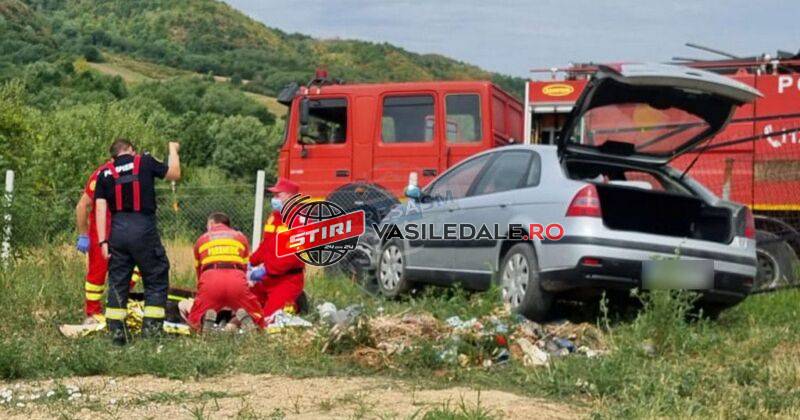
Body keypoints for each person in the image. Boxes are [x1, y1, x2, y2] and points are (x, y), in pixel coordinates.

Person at [94, 138, 181, 345]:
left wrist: (103, 242)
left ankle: (116, 336)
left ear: (113, 156)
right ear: (131, 150)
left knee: (118, 282)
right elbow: (175, 174)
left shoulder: (105, 173)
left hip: (118, 232)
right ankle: (151, 333)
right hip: (143, 228)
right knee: (156, 276)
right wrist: (173, 149)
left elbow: (100, 208)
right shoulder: (145, 161)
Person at [75, 163, 142, 325]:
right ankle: (92, 313)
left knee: (139, 265)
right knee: (97, 273)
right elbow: (82, 205)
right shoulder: (101, 174)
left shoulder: (136, 170)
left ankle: (117, 299)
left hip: (125, 230)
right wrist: (83, 235)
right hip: (101, 231)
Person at [187, 212, 263, 332]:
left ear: (211, 223)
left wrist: (203, 293)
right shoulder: (241, 238)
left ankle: (202, 323)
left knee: (194, 318)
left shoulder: (201, 240)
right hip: (236, 279)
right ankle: (249, 324)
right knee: (257, 313)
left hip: (211, 280)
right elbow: (244, 268)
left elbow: (199, 272)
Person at [248, 177, 305, 318]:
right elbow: (265, 245)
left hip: (287, 280)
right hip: (267, 278)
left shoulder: (299, 220)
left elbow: (291, 257)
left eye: (278, 195)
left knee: (270, 319)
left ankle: (295, 306)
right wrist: (250, 262)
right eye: (274, 195)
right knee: (245, 305)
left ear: (290, 197)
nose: (274, 198)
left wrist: (265, 269)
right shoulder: (274, 217)